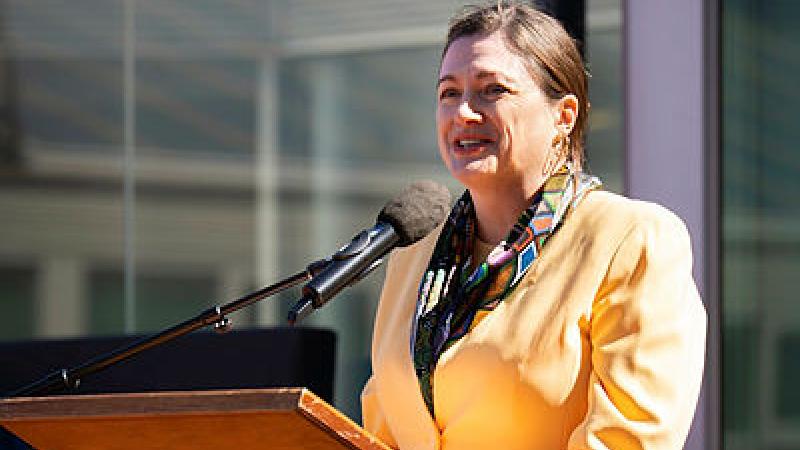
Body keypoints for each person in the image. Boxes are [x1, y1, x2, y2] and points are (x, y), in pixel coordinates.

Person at [361, 2, 707, 450]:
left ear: (564, 116)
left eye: (492, 90)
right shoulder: (413, 254)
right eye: (449, 93)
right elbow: (379, 430)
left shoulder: (633, 240)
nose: (463, 112)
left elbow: (630, 440)